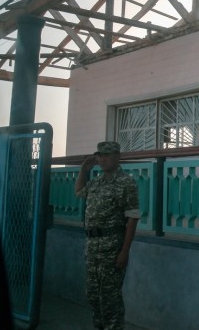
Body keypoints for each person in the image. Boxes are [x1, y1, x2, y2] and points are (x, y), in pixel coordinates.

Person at [75, 141, 140, 330]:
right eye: (99, 156)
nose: (102, 160)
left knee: (110, 299)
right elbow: (79, 192)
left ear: (117, 157)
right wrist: (83, 170)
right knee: (93, 295)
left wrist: (124, 251)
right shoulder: (97, 182)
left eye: (106, 155)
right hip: (92, 247)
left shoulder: (126, 182)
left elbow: (132, 218)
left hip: (112, 248)